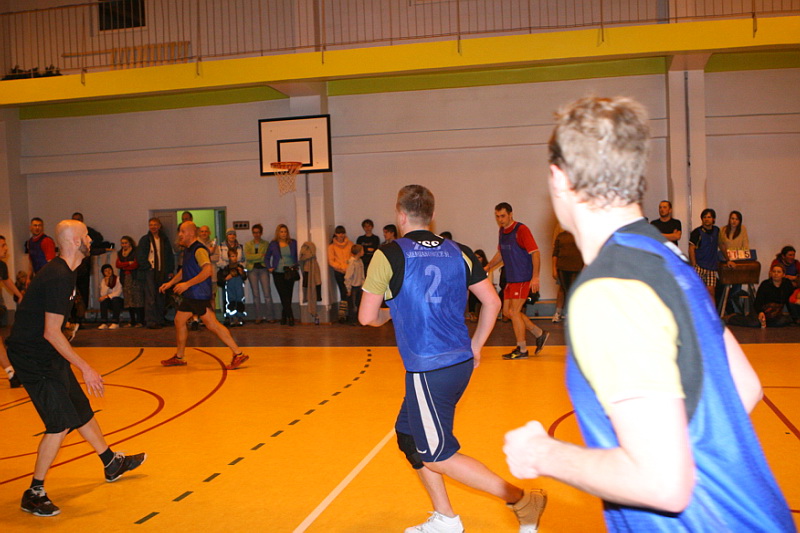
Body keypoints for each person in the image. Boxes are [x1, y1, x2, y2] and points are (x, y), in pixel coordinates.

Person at [503, 96, 794, 532]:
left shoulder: (609, 287)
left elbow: (662, 485)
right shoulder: (666, 256)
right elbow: (745, 387)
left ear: (559, 179)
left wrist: (543, 453)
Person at [360, 184, 547, 533]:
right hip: (458, 362)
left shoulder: (389, 254)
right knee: (408, 436)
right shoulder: (459, 251)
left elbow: (366, 317)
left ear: (400, 214)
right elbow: (492, 302)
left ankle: (521, 500)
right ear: (431, 215)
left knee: (437, 454)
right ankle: (446, 518)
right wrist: (477, 346)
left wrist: (389, 312)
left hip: (428, 368)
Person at [7, 219, 146, 517]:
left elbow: (51, 329)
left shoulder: (68, 271)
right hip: (32, 357)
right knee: (59, 424)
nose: (90, 240)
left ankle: (111, 463)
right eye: (86, 236)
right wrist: (86, 367)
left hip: (46, 351)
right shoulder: (59, 275)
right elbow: (51, 332)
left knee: (80, 408)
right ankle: (34, 492)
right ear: (74, 241)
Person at [159, 222, 249, 369]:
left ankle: (238, 353)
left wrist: (187, 284)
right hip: (192, 293)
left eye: (182, 231)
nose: (180, 235)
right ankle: (179, 357)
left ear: (191, 233)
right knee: (179, 320)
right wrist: (170, 283)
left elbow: (207, 271)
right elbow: (185, 270)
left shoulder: (199, 250)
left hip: (198, 293)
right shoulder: (188, 249)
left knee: (212, 324)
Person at [485, 202, 549, 359]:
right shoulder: (502, 231)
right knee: (507, 312)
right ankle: (539, 333)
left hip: (522, 277)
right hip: (511, 278)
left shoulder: (521, 230)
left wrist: (535, 277)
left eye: (503, 216)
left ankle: (522, 349)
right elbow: (501, 253)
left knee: (514, 312)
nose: (500, 220)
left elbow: (535, 253)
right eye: (497, 216)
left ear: (510, 214)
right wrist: (488, 266)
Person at [688, 208, 733, 302]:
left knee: (711, 292)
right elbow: (691, 249)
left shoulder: (717, 231)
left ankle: (712, 311)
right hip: (699, 266)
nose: (706, 219)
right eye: (704, 217)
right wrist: (694, 265)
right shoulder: (697, 232)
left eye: (709, 217)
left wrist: (728, 260)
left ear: (713, 219)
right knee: (696, 292)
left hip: (711, 267)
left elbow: (721, 245)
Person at [137, 217, 174, 329]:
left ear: (159, 226)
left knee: (161, 295)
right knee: (151, 296)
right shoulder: (145, 239)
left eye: (155, 225)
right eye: (151, 225)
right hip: (150, 271)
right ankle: (151, 320)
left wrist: (170, 270)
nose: (153, 227)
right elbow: (140, 255)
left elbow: (169, 255)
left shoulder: (164, 239)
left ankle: (160, 319)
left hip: (162, 271)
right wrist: (147, 266)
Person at [0, 235, 25, 388]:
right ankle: (12, 373)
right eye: (2, 245)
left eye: (5, 245)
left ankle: (11, 373)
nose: (6, 248)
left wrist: (19, 295)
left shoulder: (2, 265)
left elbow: (6, 280)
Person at [268, 224, 299, 326]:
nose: (283, 234)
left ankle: (284, 316)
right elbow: (267, 257)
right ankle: (291, 317)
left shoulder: (293, 243)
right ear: (278, 233)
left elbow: (297, 255)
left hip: (290, 272)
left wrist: (296, 265)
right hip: (278, 273)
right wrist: (269, 267)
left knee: (288, 295)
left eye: (285, 231)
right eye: (281, 232)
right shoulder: (273, 244)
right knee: (283, 295)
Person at [551, 227, 583, 323]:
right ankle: (558, 313)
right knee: (562, 289)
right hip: (562, 268)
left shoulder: (581, 235)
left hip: (577, 268)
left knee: (574, 290)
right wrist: (554, 268)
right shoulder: (561, 236)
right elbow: (555, 253)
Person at [245, 224, 275, 324]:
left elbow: (265, 257)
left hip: (263, 269)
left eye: (258, 232)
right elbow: (248, 257)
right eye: (254, 232)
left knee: (267, 294)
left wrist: (255, 256)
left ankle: (270, 316)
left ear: (261, 233)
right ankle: (258, 316)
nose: (256, 234)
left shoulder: (266, 244)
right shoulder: (248, 244)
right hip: (252, 270)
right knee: (256, 294)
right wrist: (259, 255)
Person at [116, 236, 144, 327]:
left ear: (130, 243)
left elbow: (135, 264)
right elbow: (118, 264)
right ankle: (132, 320)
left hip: (134, 277)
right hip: (125, 278)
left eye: (126, 243)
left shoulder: (135, 252)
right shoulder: (120, 253)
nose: (124, 245)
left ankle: (140, 320)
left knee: (137, 298)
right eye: (122, 243)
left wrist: (124, 266)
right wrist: (127, 263)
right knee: (128, 300)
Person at [328, 226, 353, 322]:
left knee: (350, 292)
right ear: (335, 234)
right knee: (343, 292)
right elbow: (331, 261)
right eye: (339, 233)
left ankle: (350, 313)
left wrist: (348, 268)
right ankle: (343, 314)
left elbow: (353, 257)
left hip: (350, 272)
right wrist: (341, 268)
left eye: (342, 233)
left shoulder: (350, 244)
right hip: (338, 272)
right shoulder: (331, 247)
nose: (341, 235)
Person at [217, 248, 248, 326]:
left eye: (235, 256)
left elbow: (244, 277)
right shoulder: (226, 268)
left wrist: (241, 272)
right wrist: (227, 277)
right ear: (229, 257)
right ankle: (231, 317)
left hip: (239, 287)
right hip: (230, 287)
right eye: (232, 256)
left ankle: (240, 317)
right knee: (231, 301)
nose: (234, 258)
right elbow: (222, 280)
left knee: (240, 300)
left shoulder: (240, 267)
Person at [96, 264, 123, 329]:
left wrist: (107, 296)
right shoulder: (103, 281)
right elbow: (102, 294)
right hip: (110, 301)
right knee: (103, 301)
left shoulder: (118, 279)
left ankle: (115, 322)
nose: (108, 272)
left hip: (119, 301)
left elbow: (118, 292)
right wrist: (107, 283)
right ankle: (104, 322)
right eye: (106, 271)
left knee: (115, 299)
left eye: (109, 270)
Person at [344, 244, 365, 325]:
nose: (363, 252)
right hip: (353, 287)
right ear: (358, 252)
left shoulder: (360, 261)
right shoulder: (352, 263)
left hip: (359, 286)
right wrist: (348, 288)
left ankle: (359, 319)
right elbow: (348, 277)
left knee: (359, 303)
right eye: (362, 250)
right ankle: (352, 320)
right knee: (353, 305)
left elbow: (362, 275)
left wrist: (363, 285)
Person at [467, 249, 489, 322]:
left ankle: (482, 314)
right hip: (475, 287)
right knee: (472, 294)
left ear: (483, 258)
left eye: (479, 257)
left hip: (485, 288)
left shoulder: (487, 268)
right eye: (475, 257)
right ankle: (472, 313)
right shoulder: (471, 267)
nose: (477, 259)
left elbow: (490, 280)